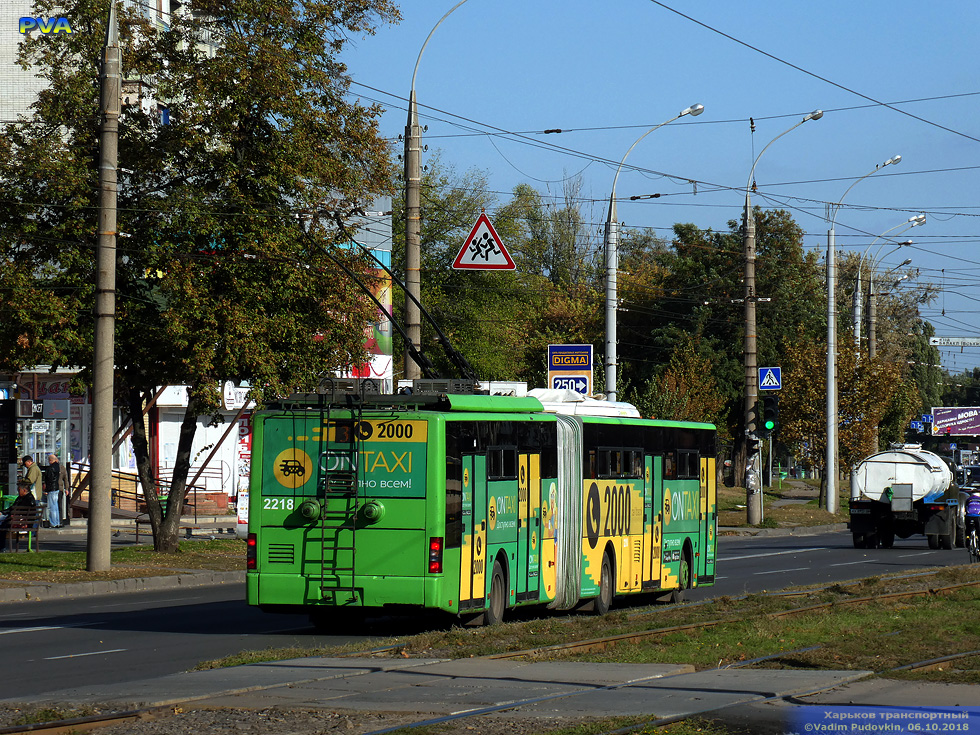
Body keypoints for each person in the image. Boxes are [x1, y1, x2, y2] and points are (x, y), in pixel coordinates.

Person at [0, 481, 38, 552]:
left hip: (21, 522)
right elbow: (13, 509)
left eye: (19, 489)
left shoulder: (25, 500)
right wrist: (2, 512)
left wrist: (4, 513)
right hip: (22, 521)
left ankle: (2, 547)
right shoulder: (28, 499)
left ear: (24, 490)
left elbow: (14, 509)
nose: (18, 491)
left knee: (2, 525)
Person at [44, 453, 69, 529]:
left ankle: (54, 522)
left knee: (53, 507)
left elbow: (49, 479)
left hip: (54, 488)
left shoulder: (51, 468)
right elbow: (66, 479)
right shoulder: (61, 468)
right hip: (59, 488)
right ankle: (59, 522)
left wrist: (46, 489)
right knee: (57, 506)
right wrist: (67, 488)